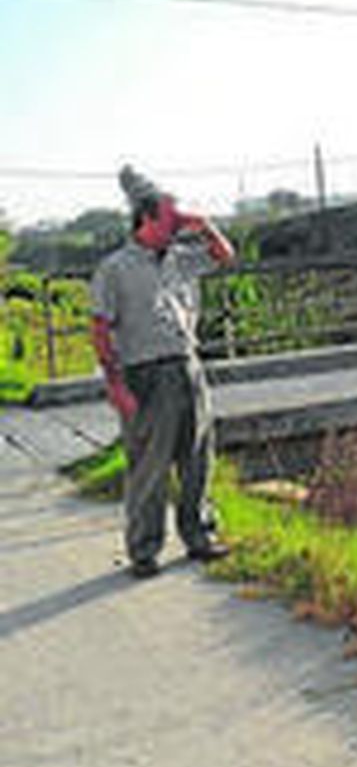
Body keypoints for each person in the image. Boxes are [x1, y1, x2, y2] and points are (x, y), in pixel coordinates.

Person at [90, 165, 236, 579]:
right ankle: (144, 550)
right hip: (144, 373)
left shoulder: (180, 259)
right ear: (147, 219)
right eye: (171, 217)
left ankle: (200, 536)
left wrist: (203, 224)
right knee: (149, 466)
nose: (178, 223)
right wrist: (115, 384)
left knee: (197, 458)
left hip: (187, 366)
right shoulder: (114, 269)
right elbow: (100, 329)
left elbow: (225, 256)